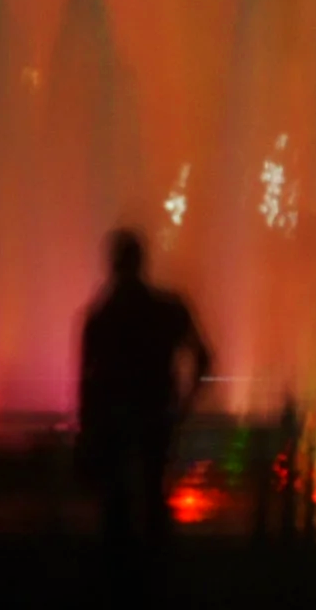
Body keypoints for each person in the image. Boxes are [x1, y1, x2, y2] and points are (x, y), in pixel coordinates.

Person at [78, 228, 213, 577]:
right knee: (153, 498)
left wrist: (87, 431)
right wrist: (185, 404)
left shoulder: (100, 317)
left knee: (116, 508)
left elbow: (86, 383)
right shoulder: (168, 309)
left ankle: (120, 582)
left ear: (113, 264)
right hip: (157, 417)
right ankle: (155, 577)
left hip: (114, 423)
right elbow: (204, 357)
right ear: (142, 261)